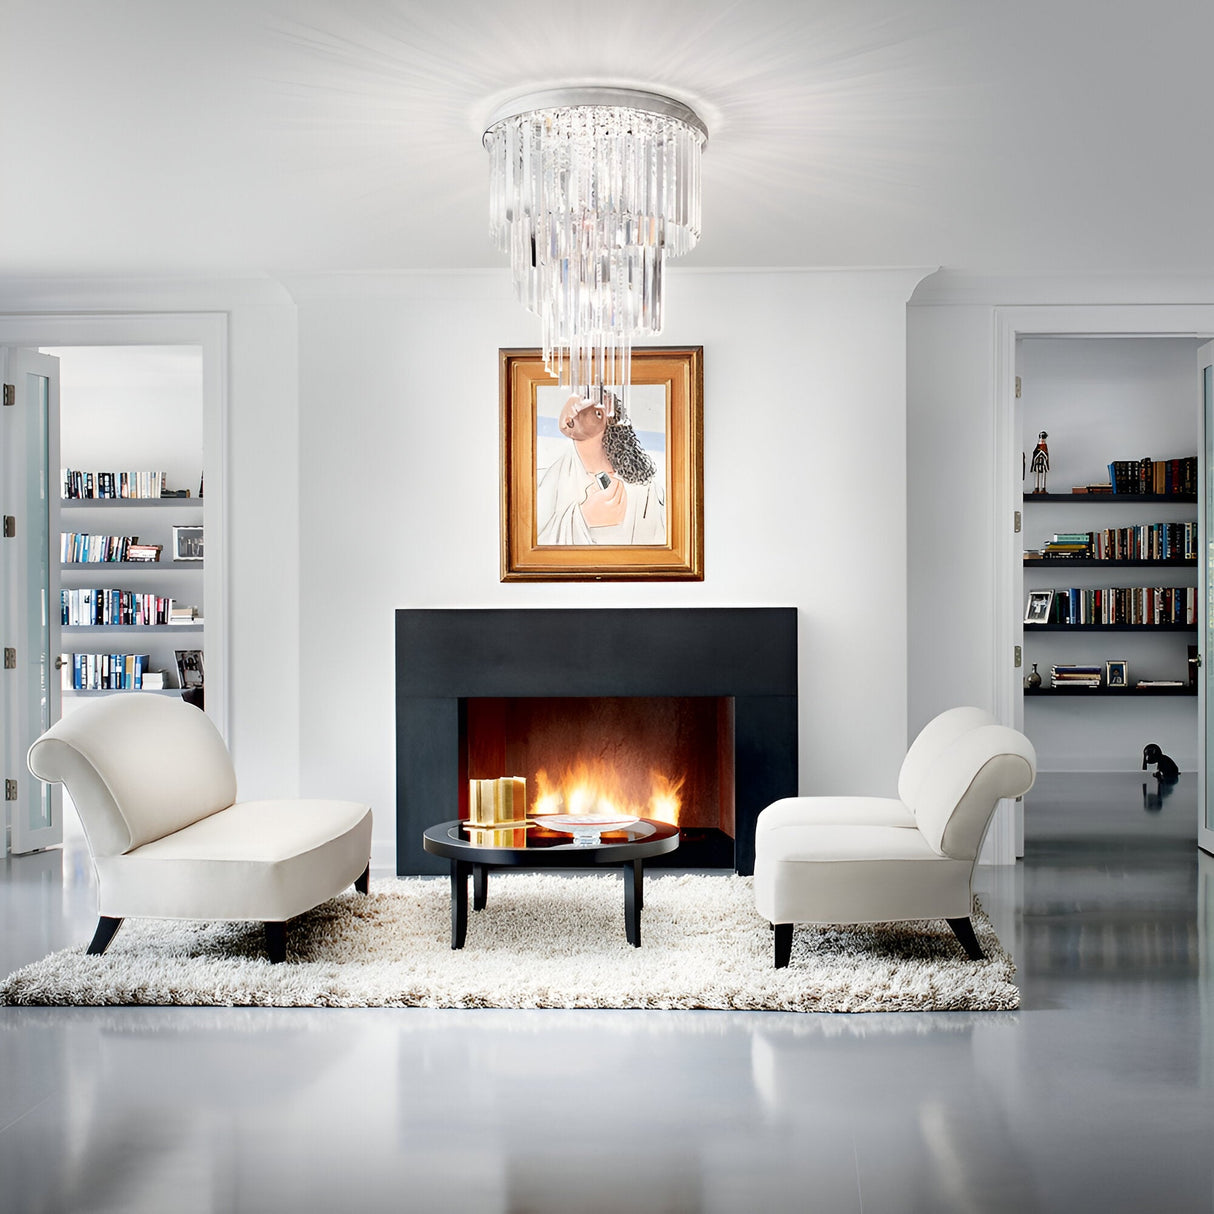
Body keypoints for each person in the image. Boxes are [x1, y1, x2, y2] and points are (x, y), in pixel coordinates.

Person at [536, 391, 666, 545]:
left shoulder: (645, 491)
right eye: (580, 401)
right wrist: (583, 517)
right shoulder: (543, 480)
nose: (578, 407)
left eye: (596, 409)